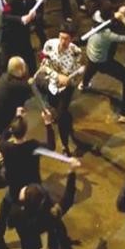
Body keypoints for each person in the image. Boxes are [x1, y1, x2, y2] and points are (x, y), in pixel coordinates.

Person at [79, 2, 125, 124]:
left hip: (91, 53)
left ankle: (84, 84)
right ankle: (124, 113)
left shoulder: (96, 16)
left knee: (91, 67)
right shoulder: (107, 34)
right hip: (103, 61)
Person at [38, 23, 86, 156]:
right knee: (61, 112)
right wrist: (57, 75)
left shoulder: (76, 52)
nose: (63, 41)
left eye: (66, 39)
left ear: (72, 39)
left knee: (60, 117)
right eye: (61, 37)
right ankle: (67, 120)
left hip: (66, 89)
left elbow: (76, 75)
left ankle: (65, 146)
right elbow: (43, 65)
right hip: (52, 85)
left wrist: (69, 80)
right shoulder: (49, 44)